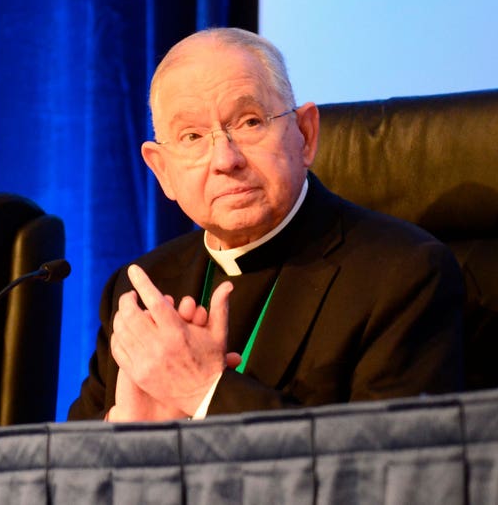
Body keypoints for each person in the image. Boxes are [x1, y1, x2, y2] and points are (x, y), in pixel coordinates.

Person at [67, 28, 464, 422]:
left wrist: (204, 391)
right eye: (192, 136)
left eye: (249, 122)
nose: (225, 159)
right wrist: (121, 431)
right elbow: (68, 469)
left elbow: (384, 464)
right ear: (162, 171)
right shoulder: (142, 290)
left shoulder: (402, 275)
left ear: (305, 135)